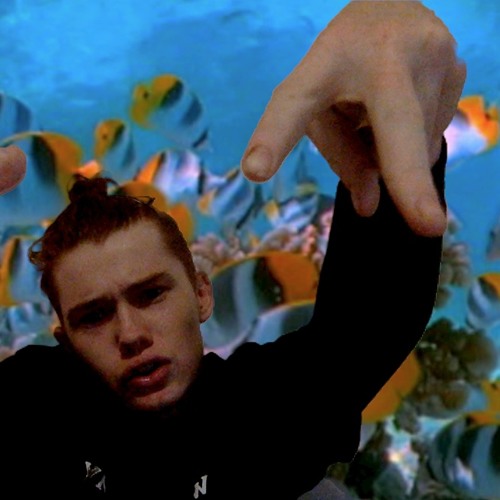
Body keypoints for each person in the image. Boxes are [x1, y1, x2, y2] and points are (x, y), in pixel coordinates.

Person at [0, 1, 465, 498]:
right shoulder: (32, 411)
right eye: (94, 316)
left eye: (151, 294)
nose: (130, 334)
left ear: (202, 293)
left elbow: (373, 323)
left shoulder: (264, 413)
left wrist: (388, 113)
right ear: (65, 341)